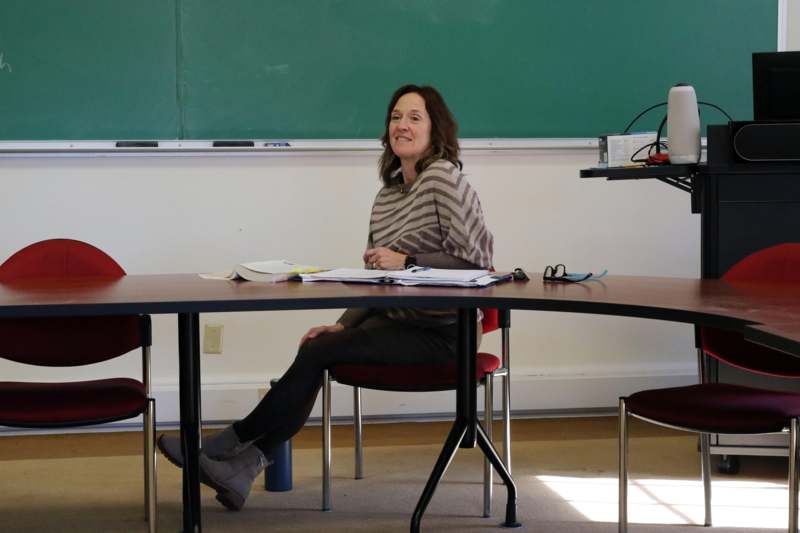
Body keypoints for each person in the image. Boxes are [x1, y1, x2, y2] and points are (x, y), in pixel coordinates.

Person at [157, 84, 494, 511]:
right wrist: (344, 323)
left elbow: (478, 264)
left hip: (446, 330)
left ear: (435, 129)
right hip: (397, 321)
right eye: (395, 117)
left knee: (320, 352)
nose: (402, 126)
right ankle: (241, 467)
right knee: (319, 344)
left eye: (414, 117)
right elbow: (378, 280)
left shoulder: (444, 177)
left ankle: (228, 447)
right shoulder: (387, 195)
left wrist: (407, 258)